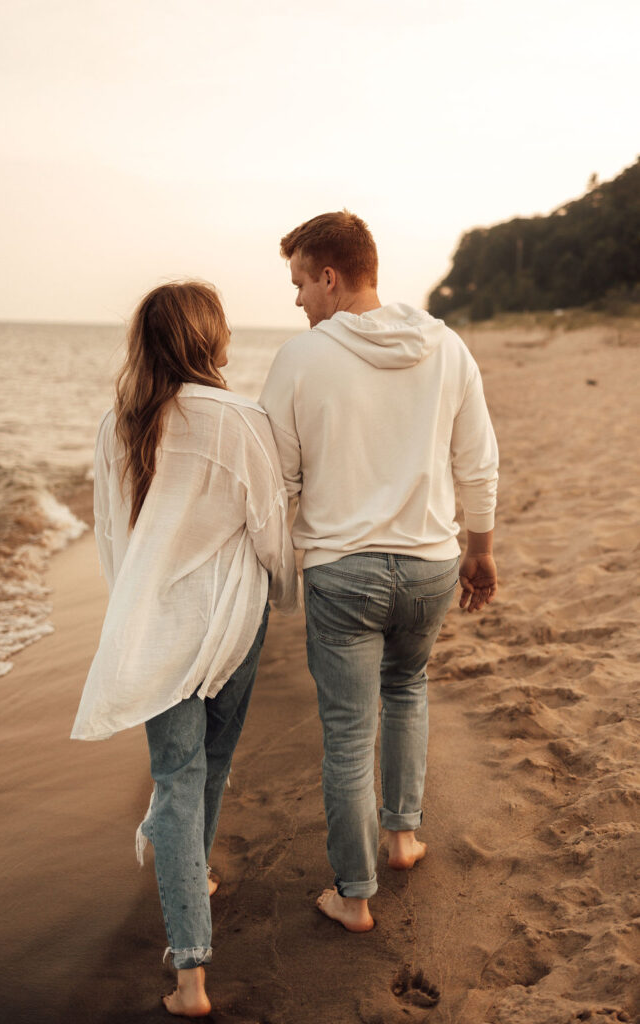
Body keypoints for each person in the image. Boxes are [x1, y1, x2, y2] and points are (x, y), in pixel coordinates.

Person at [260, 210, 498, 933]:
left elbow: (277, 478)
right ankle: (400, 838)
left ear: (329, 276)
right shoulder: (446, 346)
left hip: (345, 574)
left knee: (345, 731)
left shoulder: (301, 360)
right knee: (406, 691)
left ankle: (354, 894)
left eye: (300, 282)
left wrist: (274, 572)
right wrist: (480, 552)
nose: (298, 299)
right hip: (429, 565)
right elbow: (477, 461)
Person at [71, 281, 297, 1017]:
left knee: (174, 777)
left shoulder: (119, 422)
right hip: (231, 621)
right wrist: (290, 593)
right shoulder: (241, 418)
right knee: (213, 762)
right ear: (211, 338)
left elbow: (112, 536)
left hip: (156, 627)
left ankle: (190, 975)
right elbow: (269, 534)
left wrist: (131, 611)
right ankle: (190, 890)